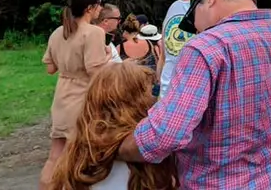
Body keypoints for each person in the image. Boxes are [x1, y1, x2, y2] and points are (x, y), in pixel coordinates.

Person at [119, 0, 271, 189]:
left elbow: (166, 134)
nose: (196, 29)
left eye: (193, 18)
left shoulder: (204, 47)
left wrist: (118, 149)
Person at [51, 62, 177, 190]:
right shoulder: (145, 152)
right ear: (137, 102)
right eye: (155, 91)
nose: (158, 99)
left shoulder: (80, 152)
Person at [40, 0, 109, 190]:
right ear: (90, 8)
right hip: (82, 100)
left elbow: (50, 68)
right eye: (99, 4)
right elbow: (95, 72)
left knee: (54, 158)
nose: (101, 9)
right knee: (80, 160)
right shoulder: (94, 32)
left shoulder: (58, 32)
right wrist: (107, 58)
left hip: (61, 99)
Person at [158, 0, 221, 98]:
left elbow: (163, 55)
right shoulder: (210, 10)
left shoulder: (173, 7)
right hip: (192, 95)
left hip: (167, 89)